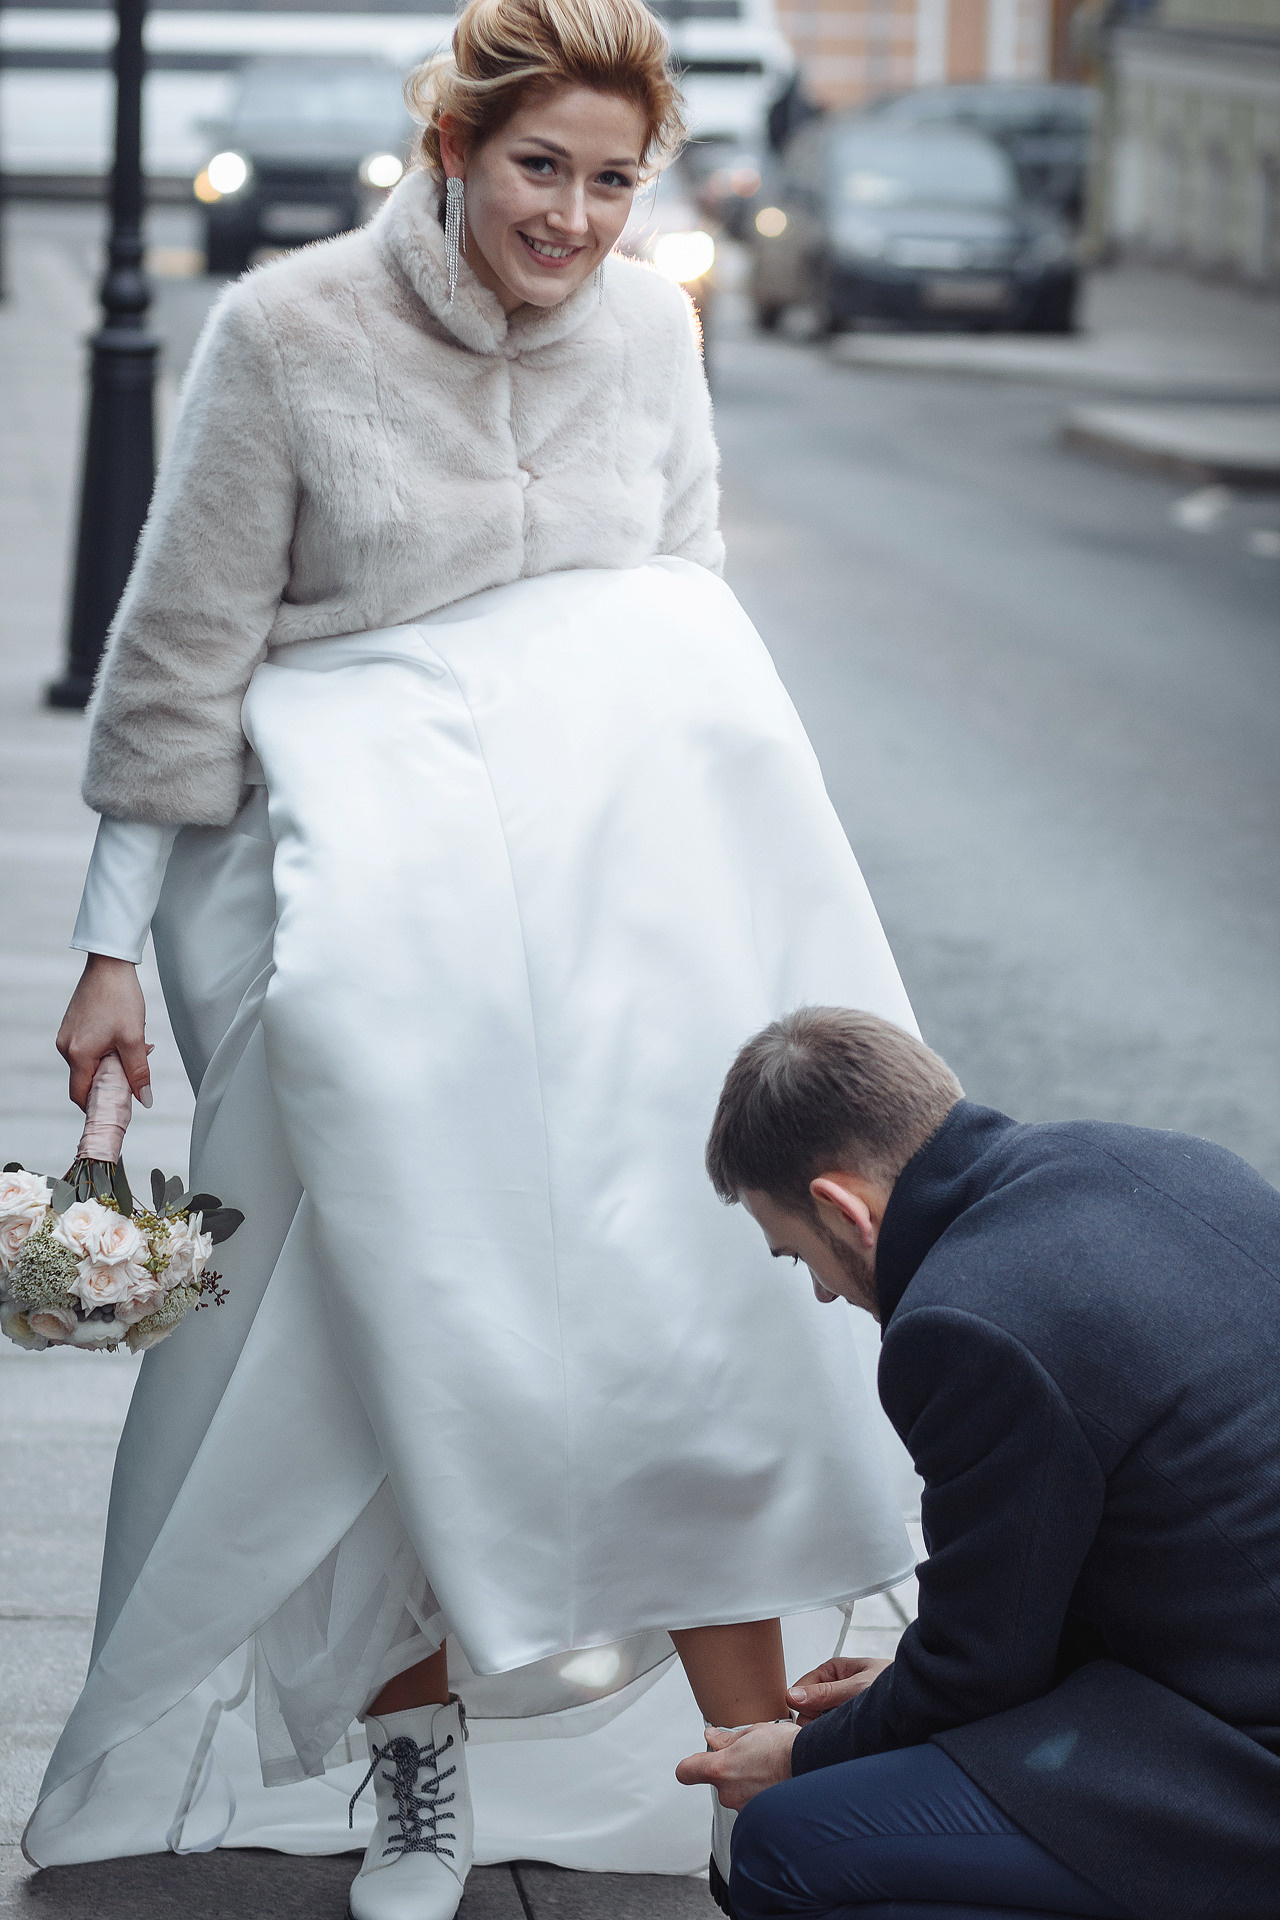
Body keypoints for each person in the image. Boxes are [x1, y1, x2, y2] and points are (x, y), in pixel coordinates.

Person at [27, 3, 923, 1914]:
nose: (579, 218)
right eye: (543, 167)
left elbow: (683, 620)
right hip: (352, 896)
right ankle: (410, 1763)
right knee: (383, 1335)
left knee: (696, 1307)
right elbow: (180, 659)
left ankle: (739, 1783)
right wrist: (107, 948)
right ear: (452, 143)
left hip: (610, 913)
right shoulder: (288, 334)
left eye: (617, 181)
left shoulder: (658, 335)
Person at [679, 1006, 1280, 1920]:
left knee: (786, 1844)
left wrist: (796, 1758)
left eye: (798, 1252)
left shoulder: (962, 1324)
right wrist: (912, 1681)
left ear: (844, 1206)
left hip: (1242, 1763)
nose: (818, 1288)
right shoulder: (1160, 1161)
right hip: (1219, 1665)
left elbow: (978, 1668)